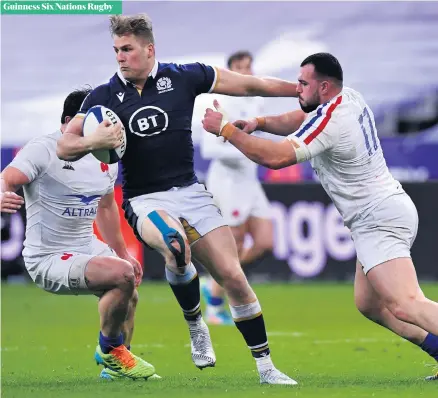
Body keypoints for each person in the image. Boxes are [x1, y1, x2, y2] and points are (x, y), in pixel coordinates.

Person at [56, 14, 299, 385]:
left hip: (190, 191)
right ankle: (195, 324)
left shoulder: (184, 76)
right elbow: (64, 145)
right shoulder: (103, 97)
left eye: (127, 49)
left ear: (149, 49)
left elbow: (249, 85)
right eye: (116, 50)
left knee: (234, 276)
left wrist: (299, 91)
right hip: (143, 199)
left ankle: (266, 368)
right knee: (175, 244)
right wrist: (93, 142)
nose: (120, 57)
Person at [202, 52, 438, 381]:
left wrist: (226, 129)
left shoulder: (331, 120)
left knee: (406, 303)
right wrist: (260, 123)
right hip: (381, 211)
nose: (296, 89)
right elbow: (299, 118)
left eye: (303, 83)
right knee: (371, 305)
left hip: (378, 218)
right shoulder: (347, 98)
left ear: (324, 87)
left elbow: (277, 158)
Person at [0, 88, 159, 381]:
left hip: (85, 246)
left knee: (130, 291)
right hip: (47, 257)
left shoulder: (105, 157)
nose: (110, 129)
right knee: (121, 277)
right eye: (103, 122)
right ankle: (110, 349)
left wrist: (123, 253)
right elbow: (7, 178)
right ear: (74, 121)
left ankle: (117, 370)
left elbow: (107, 207)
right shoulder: (43, 149)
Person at [199, 51, 273, 326]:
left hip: (250, 180)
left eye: (248, 66)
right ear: (229, 71)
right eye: (239, 68)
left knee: (266, 241)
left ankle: (213, 285)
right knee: (235, 243)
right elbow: (209, 148)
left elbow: (260, 136)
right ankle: (216, 305)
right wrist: (249, 151)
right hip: (228, 181)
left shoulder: (256, 100)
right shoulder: (218, 101)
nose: (246, 71)